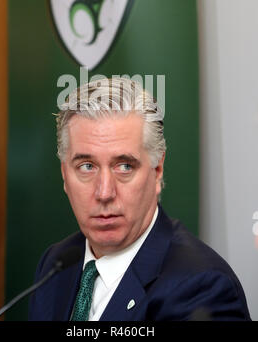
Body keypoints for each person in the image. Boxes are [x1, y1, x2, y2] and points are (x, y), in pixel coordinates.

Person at [29, 77, 251, 321]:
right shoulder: (55, 263)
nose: (104, 192)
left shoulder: (204, 287)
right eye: (86, 166)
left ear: (157, 170)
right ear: (64, 174)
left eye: (124, 166)